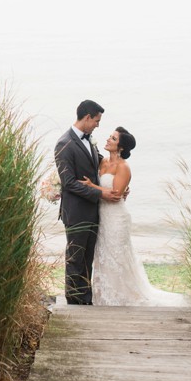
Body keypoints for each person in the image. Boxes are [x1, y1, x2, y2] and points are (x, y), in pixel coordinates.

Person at [79, 127, 191, 307]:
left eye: (113, 138)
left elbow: (116, 195)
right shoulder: (102, 162)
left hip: (116, 218)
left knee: (117, 256)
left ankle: (122, 297)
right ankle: (104, 296)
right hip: (102, 217)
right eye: (110, 136)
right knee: (103, 256)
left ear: (121, 147)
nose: (108, 139)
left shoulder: (124, 167)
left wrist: (92, 186)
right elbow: (110, 190)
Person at [53, 100, 123, 305]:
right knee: (75, 258)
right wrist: (101, 194)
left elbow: (104, 166)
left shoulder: (89, 140)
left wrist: (118, 184)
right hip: (75, 212)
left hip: (92, 212)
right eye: (96, 120)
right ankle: (74, 302)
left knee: (87, 259)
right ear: (87, 117)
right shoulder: (63, 144)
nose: (98, 125)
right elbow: (69, 183)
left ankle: (85, 299)